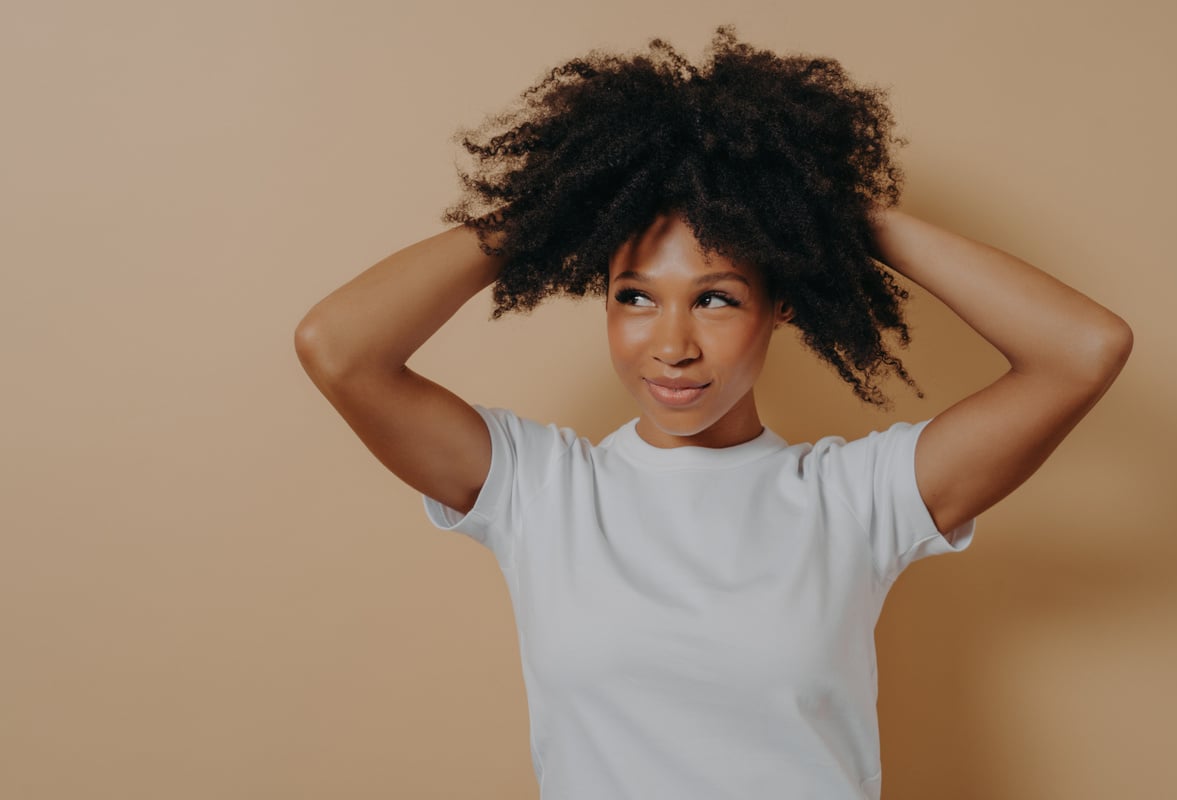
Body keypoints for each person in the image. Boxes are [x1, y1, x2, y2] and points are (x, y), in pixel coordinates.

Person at [294, 26, 1132, 800]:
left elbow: (1083, 350)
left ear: (782, 306)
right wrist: (563, 203)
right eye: (635, 297)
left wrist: (829, 216)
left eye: (718, 299)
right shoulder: (539, 489)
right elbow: (336, 347)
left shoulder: (858, 498)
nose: (672, 343)